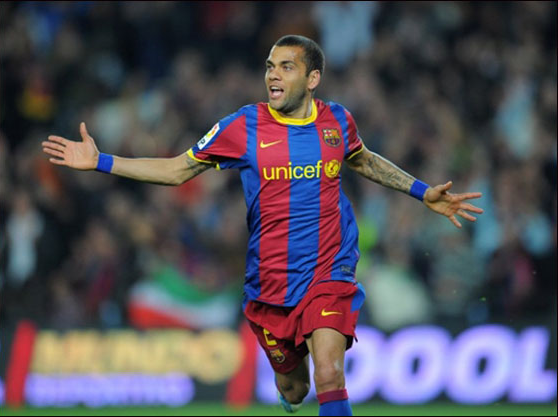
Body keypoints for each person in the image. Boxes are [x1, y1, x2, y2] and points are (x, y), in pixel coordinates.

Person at [42, 35, 483, 416]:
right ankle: (287, 388)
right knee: (296, 387)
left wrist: (422, 191)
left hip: (330, 269)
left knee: (330, 372)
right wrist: (101, 161)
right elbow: (177, 170)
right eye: (270, 66)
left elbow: (362, 158)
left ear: (312, 78)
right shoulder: (242, 126)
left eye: (286, 67)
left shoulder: (337, 121)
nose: (273, 74)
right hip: (270, 282)